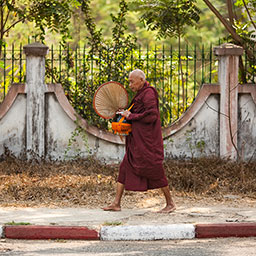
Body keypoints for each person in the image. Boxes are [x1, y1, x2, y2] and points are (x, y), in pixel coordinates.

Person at [103, 69, 176, 213]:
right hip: (136, 141)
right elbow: (137, 113)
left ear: (142, 80)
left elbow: (151, 116)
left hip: (147, 142)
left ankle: (170, 203)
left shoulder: (149, 93)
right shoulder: (140, 94)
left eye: (132, 81)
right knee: (124, 167)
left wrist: (131, 116)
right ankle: (116, 203)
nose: (130, 85)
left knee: (155, 169)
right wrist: (125, 113)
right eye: (129, 81)